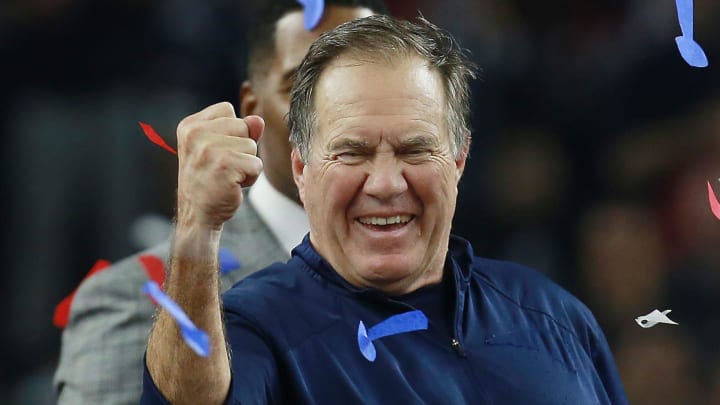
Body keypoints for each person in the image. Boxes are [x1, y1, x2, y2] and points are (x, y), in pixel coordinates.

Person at [141, 14, 629, 404]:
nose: (386, 184)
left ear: (458, 161)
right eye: (351, 152)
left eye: (415, 150)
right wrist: (197, 228)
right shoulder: (254, 329)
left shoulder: (553, 314)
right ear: (301, 168)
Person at [53, 1, 389, 404]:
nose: (344, 118)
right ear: (252, 109)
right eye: (305, 88)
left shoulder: (453, 287)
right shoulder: (135, 301)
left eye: (368, 88)